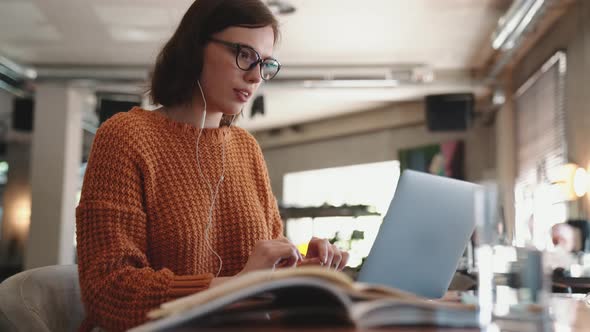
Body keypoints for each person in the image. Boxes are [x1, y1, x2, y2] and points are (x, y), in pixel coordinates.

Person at [75, 1, 348, 331]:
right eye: (244, 54)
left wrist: (306, 268)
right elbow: (108, 290)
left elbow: (267, 272)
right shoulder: (125, 137)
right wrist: (239, 284)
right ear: (195, 47)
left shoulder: (246, 148)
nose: (254, 75)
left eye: (265, 64)